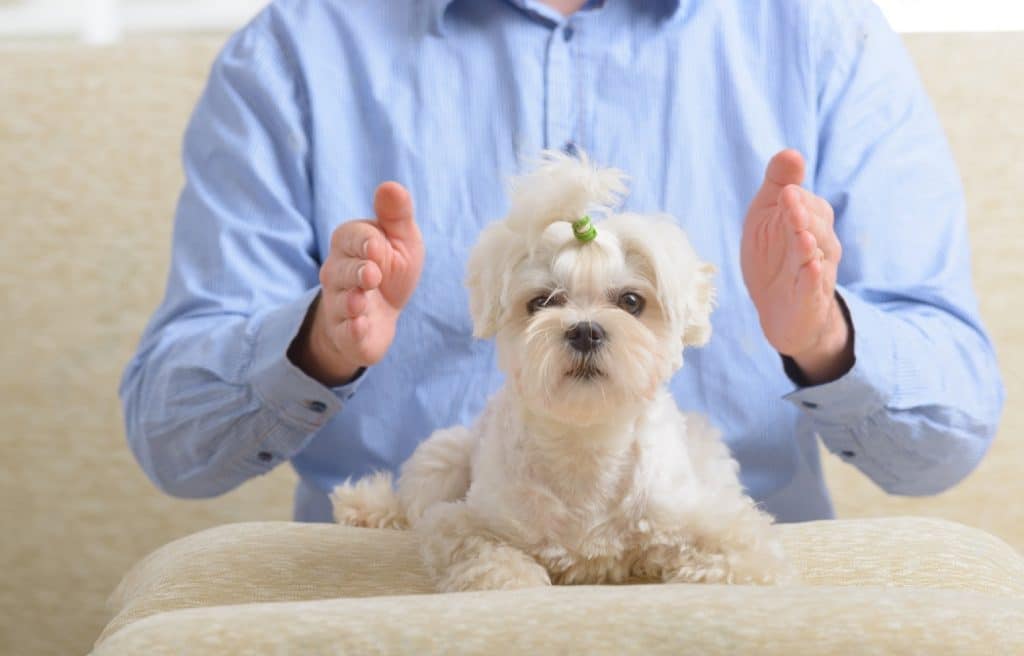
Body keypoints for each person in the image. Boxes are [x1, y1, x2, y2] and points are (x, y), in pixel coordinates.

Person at [119, 0, 1004, 523]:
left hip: (728, 600)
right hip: (411, 596)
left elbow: (946, 439)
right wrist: (317, 345)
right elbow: (173, 442)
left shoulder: (824, 35)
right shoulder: (293, 52)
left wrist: (825, 338)